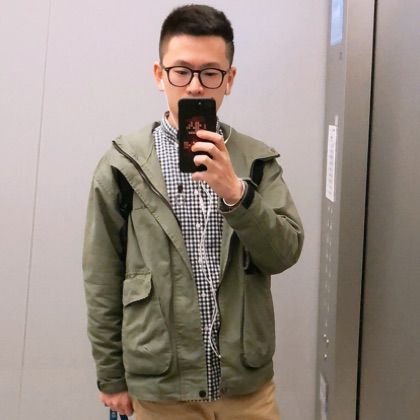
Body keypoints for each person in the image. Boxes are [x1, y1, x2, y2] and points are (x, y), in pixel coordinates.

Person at [83, 4, 304, 419]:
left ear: (229, 79)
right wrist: (111, 377)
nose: (196, 86)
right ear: (159, 74)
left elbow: (284, 253)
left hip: (246, 389)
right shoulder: (122, 166)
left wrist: (236, 193)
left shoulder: (257, 161)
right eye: (181, 71)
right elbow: (101, 278)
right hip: (163, 387)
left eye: (210, 73)